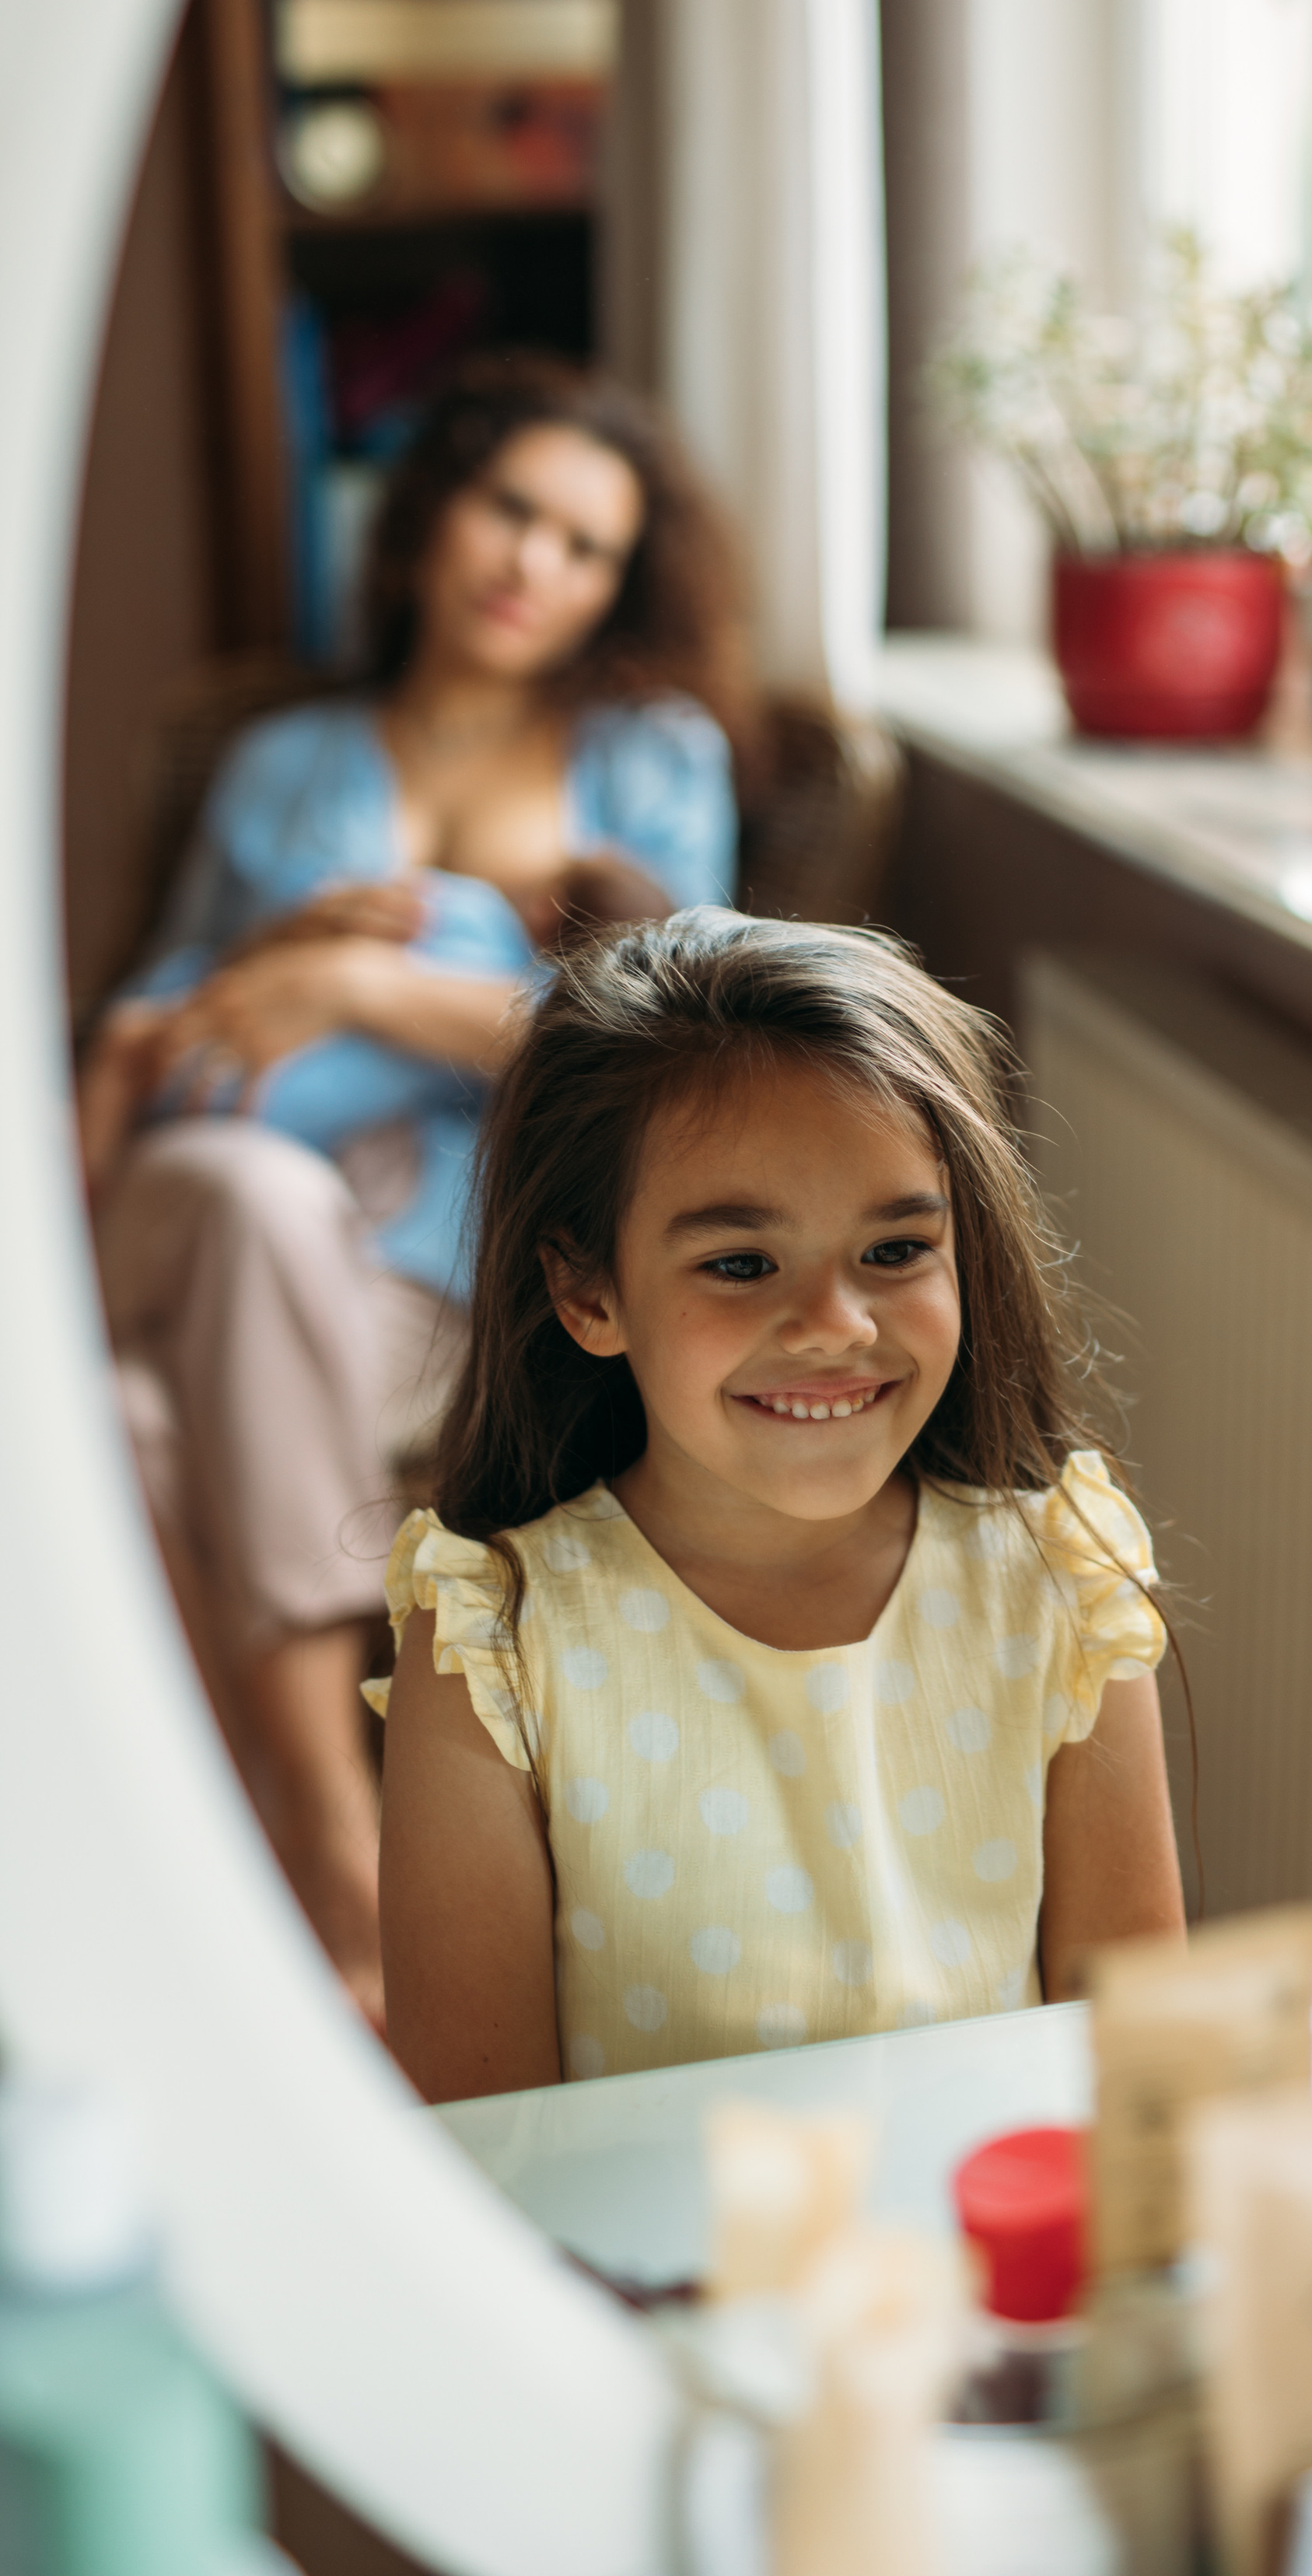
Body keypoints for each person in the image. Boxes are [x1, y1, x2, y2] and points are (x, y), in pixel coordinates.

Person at [75, 355, 754, 2032]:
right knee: (245, 1195)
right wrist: (264, 958)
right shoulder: (283, 766)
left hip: (432, 1288)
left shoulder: (648, 761)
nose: (534, 564)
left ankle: (201, 1921)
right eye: (508, 510)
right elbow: (134, 1054)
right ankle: (337, 1838)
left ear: (618, 585)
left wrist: (373, 996)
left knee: (130, 1429)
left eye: (585, 545)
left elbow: (691, 1045)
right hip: (208, 1208)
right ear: (429, 518)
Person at [371, 908, 1187, 2102]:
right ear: (587, 1291)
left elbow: (1141, 2092)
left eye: (897, 1251)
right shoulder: (494, 1648)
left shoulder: (1061, 1588)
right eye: (742, 1264)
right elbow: (495, 2159)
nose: (836, 1326)